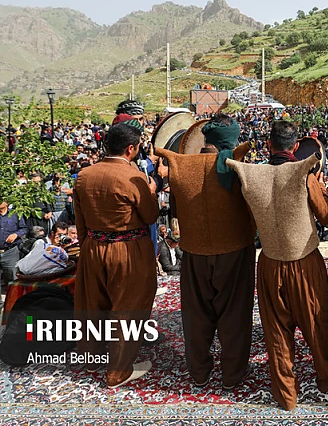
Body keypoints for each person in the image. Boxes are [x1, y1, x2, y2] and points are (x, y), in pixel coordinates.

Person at [226, 120, 328, 410]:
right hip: (304, 263)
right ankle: (327, 381)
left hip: (270, 262)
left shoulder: (251, 175)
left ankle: (286, 396)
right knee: (317, 325)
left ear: (268, 145)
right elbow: (325, 218)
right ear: (296, 147)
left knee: (276, 333)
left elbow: (251, 224)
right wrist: (322, 192)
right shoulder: (304, 174)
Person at [155, 113, 257, 389]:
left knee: (196, 315)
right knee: (235, 314)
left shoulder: (180, 165)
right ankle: (232, 375)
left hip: (194, 252)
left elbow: (175, 211)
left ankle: (199, 373)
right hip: (235, 251)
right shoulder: (236, 166)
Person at [73, 123, 159, 388]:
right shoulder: (131, 177)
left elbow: (80, 220)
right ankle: (118, 371)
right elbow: (151, 215)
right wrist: (152, 191)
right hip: (127, 249)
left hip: (93, 246)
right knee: (128, 309)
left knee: (91, 306)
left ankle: (91, 357)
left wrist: (88, 244)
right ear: (131, 149)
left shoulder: (83, 175)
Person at [0, 197, 27, 287]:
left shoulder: (15, 214)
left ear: (6, 202)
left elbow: (24, 228)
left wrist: (16, 234)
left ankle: (13, 300)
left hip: (10, 251)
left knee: (13, 280)